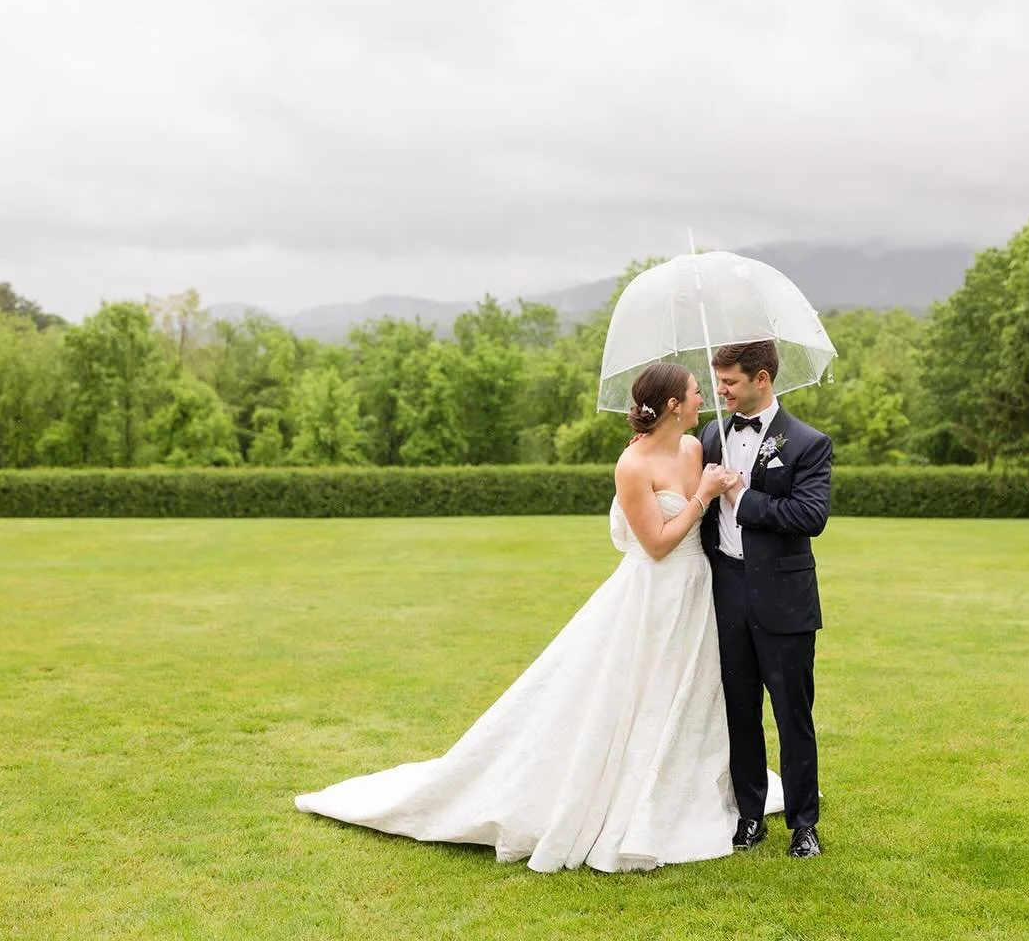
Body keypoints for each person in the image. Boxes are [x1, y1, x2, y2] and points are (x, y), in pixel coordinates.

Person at [295, 363, 781, 872]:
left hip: (697, 590)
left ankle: (682, 788)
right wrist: (702, 496)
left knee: (686, 692)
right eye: (697, 391)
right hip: (651, 595)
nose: (705, 397)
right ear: (674, 405)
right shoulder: (632, 466)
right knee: (636, 692)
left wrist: (727, 487)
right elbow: (657, 544)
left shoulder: (695, 448)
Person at [699, 341, 832, 859]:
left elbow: (810, 516)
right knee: (738, 710)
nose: (721, 390)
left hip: (785, 597)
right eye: (718, 381)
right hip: (726, 590)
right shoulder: (711, 434)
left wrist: (742, 496)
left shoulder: (807, 443)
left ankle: (804, 825)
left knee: (792, 715)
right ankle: (749, 815)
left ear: (761, 378)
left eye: (730, 381)